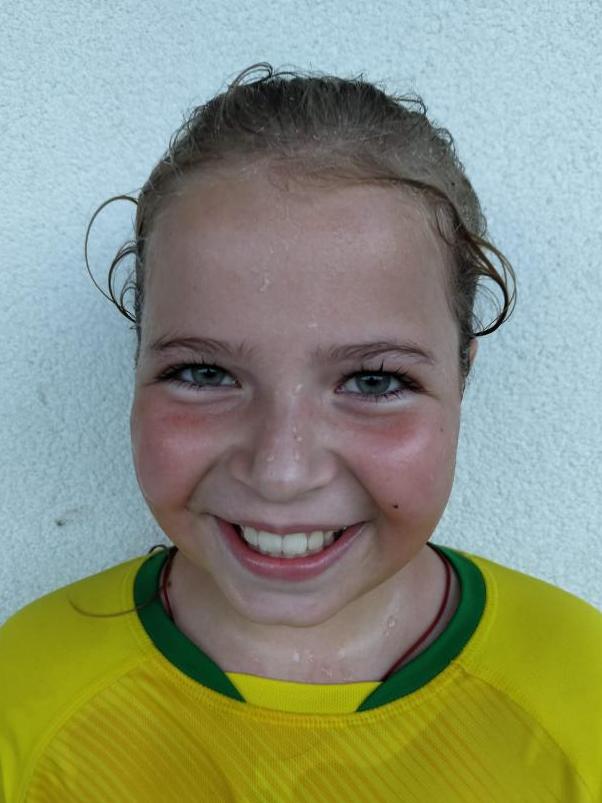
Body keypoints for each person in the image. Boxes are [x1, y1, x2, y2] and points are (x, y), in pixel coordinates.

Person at [1, 63, 600, 802]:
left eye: (373, 382)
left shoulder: (583, 695)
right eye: (204, 373)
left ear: (463, 373)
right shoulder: (22, 695)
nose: (281, 472)